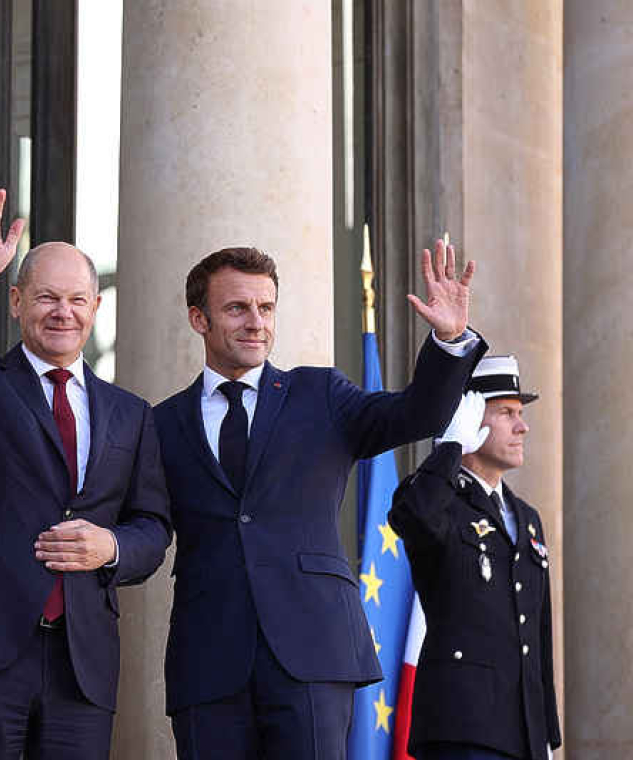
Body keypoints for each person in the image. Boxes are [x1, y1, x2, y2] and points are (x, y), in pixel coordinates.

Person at [153, 243, 487, 759]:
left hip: (313, 652)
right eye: (237, 308)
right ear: (199, 318)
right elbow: (149, 524)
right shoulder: (161, 423)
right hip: (208, 659)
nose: (255, 323)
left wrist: (447, 340)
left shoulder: (320, 395)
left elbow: (415, 415)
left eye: (266, 308)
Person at [0, 186, 171, 759]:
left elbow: (152, 527)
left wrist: (110, 545)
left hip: (82, 659)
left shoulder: (131, 413)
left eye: (76, 299)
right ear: (16, 301)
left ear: (95, 308)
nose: (62, 312)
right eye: (46, 297)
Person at [388, 357, 561, 760]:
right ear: (467, 418)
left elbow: (538, 632)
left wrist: (547, 735)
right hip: (462, 729)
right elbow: (412, 517)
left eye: (521, 413)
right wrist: (450, 448)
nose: (523, 426)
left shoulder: (527, 518)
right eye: (506, 413)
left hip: (523, 734)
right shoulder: (438, 498)